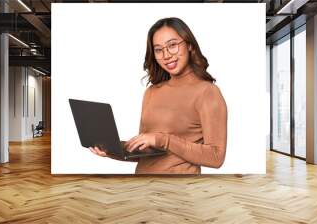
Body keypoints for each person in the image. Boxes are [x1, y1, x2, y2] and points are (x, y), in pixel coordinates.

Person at [89, 17, 227, 174]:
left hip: (178, 191)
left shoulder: (207, 92)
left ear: (189, 45)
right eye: (159, 49)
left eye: (172, 45)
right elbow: (146, 152)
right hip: (142, 188)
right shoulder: (152, 92)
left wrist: (163, 139)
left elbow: (216, 157)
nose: (166, 55)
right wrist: (113, 149)